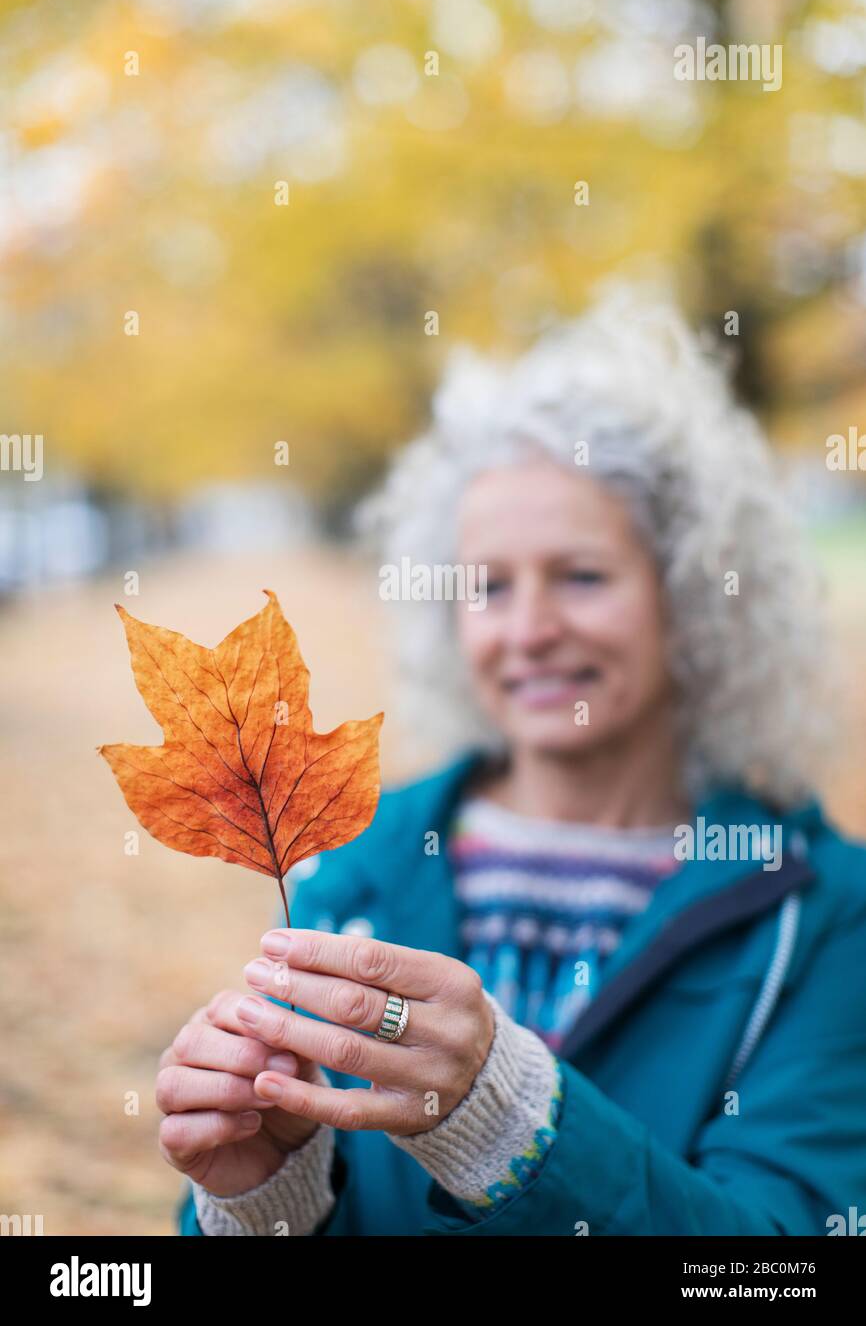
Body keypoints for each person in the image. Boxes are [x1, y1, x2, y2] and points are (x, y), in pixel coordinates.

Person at [160, 283, 866, 1236]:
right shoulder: (356, 864)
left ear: (693, 599)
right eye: (489, 587)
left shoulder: (820, 914)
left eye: (582, 576)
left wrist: (517, 1129)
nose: (530, 629)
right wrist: (264, 1199)